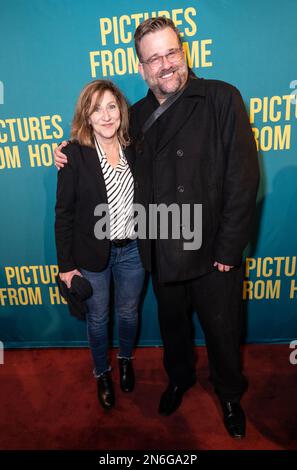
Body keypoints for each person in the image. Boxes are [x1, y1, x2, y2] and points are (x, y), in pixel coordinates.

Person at [54, 18, 259, 438]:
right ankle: (180, 379)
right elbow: (101, 144)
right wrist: (68, 151)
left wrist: (228, 249)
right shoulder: (138, 116)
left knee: (223, 331)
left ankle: (229, 395)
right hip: (163, 250)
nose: (164, 65)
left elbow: (244, 177)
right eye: (153, 59)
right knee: (173, 330)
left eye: (170, 53)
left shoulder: (222, 97)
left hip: (213, 252)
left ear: (184, 52)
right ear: (143, 68)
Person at [55, 79, 145, 411]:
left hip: (133, 250)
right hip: (91, 255)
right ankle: (102, 373)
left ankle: (124, 359)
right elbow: (63, 214)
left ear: (121, 111)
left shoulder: (136, 147)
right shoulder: (73, 154)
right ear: (87, 116)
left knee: (128, 313)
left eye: (111, 106)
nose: (105, 116)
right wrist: (65, 265)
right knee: (97, 319)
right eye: (96, 109)